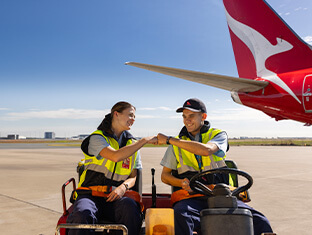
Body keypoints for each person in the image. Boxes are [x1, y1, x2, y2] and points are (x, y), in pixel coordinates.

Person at [157, 98, 273, 235]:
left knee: (260, 221)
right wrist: (181, 182)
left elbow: (206, 150)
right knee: (181, 214)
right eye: (184, 116)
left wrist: (170, 140)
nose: (187, 120)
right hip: (192, 198)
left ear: (203, 116)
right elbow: (165, 176)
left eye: (191, 116)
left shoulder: (218, 135)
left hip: (223, 196)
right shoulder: (175, 146)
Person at [67, 101, 157, 235]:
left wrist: (123, 187)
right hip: (91, 195)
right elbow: (115, 156)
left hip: (116, 197)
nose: (133, 119)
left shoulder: (132, 144)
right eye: (130, 115)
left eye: (134, 117)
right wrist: (143, 141)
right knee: (82, 214)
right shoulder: (97, 138)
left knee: (131, 209)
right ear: (116, 114)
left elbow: (133, 176)